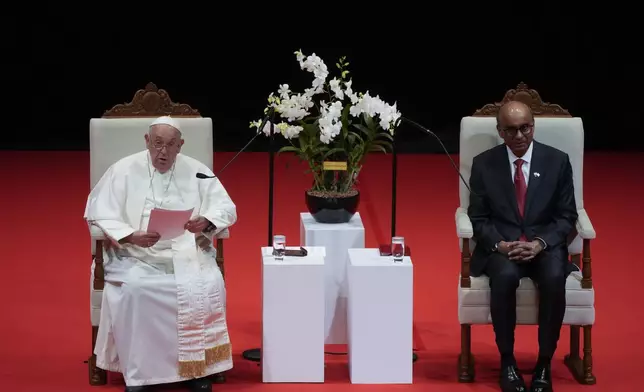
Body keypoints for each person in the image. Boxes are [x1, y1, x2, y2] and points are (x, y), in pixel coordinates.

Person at [84, 116, 237, 392]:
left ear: (181, 145)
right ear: (146, 141)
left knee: (208, 284)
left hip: (187, 251)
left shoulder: (197, 170)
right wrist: (131, 235)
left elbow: (226, 209)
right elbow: (98, 213)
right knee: (137, 290)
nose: (163, 153)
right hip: (133, 254)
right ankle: (141, 374)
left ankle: (197, 370)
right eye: (157, 145)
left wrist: (206, 221)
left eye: (170, 145)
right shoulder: (123, 170)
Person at [467, 101, 578, 392]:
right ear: (500, 131)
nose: (519, 136)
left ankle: (544, 363)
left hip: (545, 245)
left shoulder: (557, 161)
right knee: (503, 277)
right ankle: (507, 361)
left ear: (533, 126)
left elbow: (567, 215)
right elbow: (477, 218)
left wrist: (541, 243)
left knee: (555, 278)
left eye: (524, 128)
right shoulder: (483, 164)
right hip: (504, 246)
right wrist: (500, 245)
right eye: (511, 130)